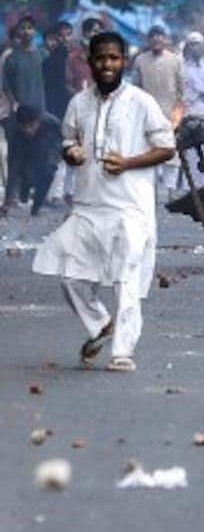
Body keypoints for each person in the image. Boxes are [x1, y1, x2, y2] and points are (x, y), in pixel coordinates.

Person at [32, 32, 177, 373]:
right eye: (100, 58)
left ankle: (122, 351)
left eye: (114, 58)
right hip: (88, 205)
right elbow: (68, 140)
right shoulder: (78, 103)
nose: (107, 64)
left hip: (130, 207)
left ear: (124, 60)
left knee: (126, 279)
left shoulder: (140, 101)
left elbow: (167, 146)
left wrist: (127, 162)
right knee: (69, 274)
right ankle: (100, 324)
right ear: (89, 61)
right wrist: (72, 152)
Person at [1, 105, 60, 216]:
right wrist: (7, 203)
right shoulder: (14, 131)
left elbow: (61, 145)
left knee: (48, 171)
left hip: (47, 149)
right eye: (25, 127)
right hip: (24, 151)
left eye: (31, 126)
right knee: (23, 173)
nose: (29, 130)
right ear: (19, 125)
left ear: (39, 121)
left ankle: (37, 206)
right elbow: (13, 167)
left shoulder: (53, 123)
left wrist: (54, 158)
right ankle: (23, 191)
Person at [130, 25, 184, 121]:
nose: (156, 39)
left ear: (165, 39)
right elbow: (135, 88)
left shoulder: (175, 60)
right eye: (152, 36)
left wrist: (178, 114)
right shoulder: (140, 60)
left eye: (159, 36)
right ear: (148, 40)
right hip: (147, 114)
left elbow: (181, 88)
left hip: (170, 114)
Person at [3, 15, 46, 113]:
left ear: (35, 31)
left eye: (30, 28)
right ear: (18, 31)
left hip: (40, 107)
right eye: (23, 28)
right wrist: (14, 103)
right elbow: (6, 86)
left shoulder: (43, 55)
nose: (26, 31)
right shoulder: (12, 57)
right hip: (21, 111)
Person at [42, 23, 72, 120]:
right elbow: (49, 90)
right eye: (61, 35)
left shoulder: (79, 56)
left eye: (68, 34)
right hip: (60, 106)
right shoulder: (49, 61)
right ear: (55, 37)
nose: (65, 39)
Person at [67, 18, 103, 95]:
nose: (96, 35)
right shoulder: (73, 57)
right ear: (84, 33)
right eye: (94, 31)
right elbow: (68, 84)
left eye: (99, 32)